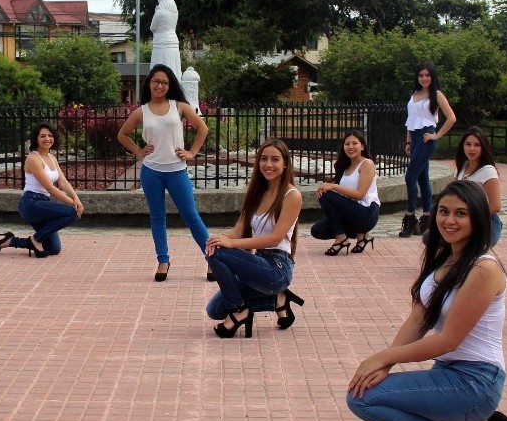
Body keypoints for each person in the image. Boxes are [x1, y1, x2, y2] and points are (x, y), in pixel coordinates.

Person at [347, 180, 507, 421]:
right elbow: (418, 320)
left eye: (461, 214)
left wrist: (383, 356)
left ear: (478, 217)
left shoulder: (483, 269)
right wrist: (386, 364)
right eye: (444, 211)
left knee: (361, 398)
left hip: (475, 380)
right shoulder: (444, 257)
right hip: (448, 374)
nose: (449, 221)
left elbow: (448, 340)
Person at [117, 64, 210, 282]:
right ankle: (163, 261)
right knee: (157, 217)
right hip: (152, 172)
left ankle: (211, 258)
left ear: (170, 86)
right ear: (149, 83)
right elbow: (123, 134)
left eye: (165, 82)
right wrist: (139, 151)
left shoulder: (179, 106)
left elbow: (202, 128)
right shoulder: (141, 111)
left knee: (191, 216)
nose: (160, 86)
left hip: (177, 171)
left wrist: (192, 152)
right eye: (156, 81)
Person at [205, 139, 304, 337]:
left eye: (275, 159)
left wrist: (231, 244)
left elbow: (275, 239)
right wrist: (219, 238)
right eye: (264, 159)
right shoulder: (257, 193)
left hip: (277, 268)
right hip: (258, 262)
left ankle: (239, 311)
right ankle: (277, 300)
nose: (268, 164)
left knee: (217, 254)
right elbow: (238, 230)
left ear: (285, 164)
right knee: (214, 310)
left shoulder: (292, 195)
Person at [0, 123, 83, 257]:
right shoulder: (33, 158)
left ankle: (10, 241)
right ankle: (35, 239)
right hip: (31, 204)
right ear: (36, 139)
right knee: (72, 213)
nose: (47, 138)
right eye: (43, 136)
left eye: (50, 135)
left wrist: (77, 199)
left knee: (53, 249)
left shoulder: (52, 157)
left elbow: (62, 182)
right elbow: (50, 188)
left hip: (43, 204)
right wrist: (72, 203)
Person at [399, 62, 456, 238]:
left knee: (410, 176)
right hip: (415, 138)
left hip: (426, 137)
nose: (424, 78)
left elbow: (452, 118)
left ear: (432, 77)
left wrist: (436, 136)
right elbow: (411, 119)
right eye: (421, 75)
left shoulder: (436, 95)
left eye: (427, 75)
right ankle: (427, 218)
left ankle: (410, 217)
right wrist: (408, 142)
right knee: (423, 179)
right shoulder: (415, 94)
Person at [310, 131, 380, 255]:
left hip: (367, 213)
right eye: (347, 144)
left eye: (355, 143)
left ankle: (341, 238)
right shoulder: (345, 167)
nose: (350, 147)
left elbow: (360, 195)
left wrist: (333, 187)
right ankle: (361, 235)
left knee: (327, 194)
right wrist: (326, 186)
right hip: (351, 214)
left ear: (362, 146)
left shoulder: (366, 164)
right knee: (317, 230)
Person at [455, 127, 503, 246]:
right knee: (429, 237)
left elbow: (495, 206)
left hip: (485, 219)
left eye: (477, 145)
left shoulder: (488, 171)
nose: (472, 149)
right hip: (461, 217)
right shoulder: (461, 167)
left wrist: (470, 215)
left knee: (467, 243)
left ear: (483, 147)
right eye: (468, 144)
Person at [149, 0, 182, 82]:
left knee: (159, 67)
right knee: (173, 68)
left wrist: (156, 12)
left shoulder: (159, 12)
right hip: (173, 42)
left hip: (161, 43)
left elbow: (152, 27)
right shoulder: (175, 12)